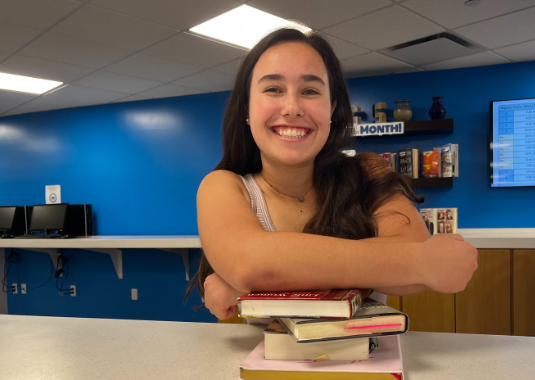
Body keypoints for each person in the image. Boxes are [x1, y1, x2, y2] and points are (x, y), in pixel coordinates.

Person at [185, 28, 477, 321]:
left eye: (310, 91)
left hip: (368, 364)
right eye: (273, 89)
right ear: (246, 109)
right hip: (263, 365)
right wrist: (417, 262)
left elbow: (411, 271)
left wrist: (256, 289)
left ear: (332, 109)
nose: (292, 108)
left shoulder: (368, 172)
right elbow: (251, 265)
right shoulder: (222, 186)